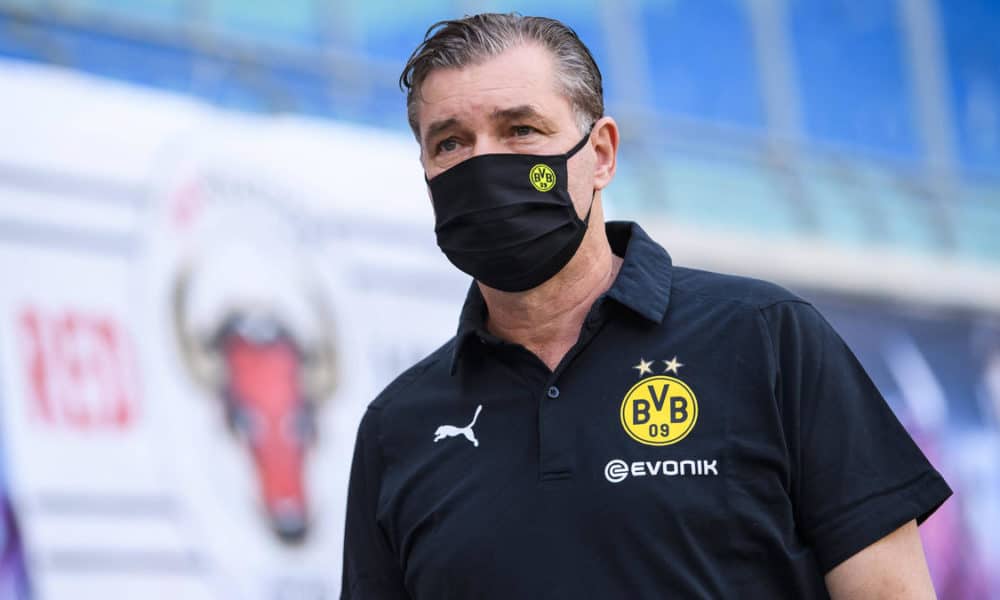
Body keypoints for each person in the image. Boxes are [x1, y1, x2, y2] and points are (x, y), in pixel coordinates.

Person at [342, 13, 952, 599]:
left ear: (601, 154)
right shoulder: (398, 427)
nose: (483, 164)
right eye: (450, 142)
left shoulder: (766, 339)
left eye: (520, 129)